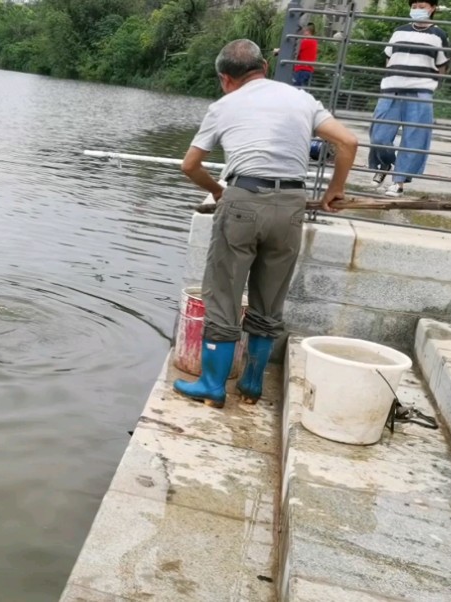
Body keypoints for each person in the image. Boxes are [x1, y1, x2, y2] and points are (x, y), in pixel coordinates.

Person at [173, 39, 357, 410]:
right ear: (265, 69)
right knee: (269, 299)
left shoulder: (224, 105)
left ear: (226, 78)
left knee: (223, 293)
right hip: (291, 204)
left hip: (243, 197)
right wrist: (334, 190)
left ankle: (212, 385)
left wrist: (219, 192)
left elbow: (189, 165)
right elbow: (348, 142)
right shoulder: (302, 100)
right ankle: (252, 385)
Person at [368, 0, 450, 197]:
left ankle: (399, 182)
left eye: (422, 6)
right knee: (379, 135)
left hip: (420, 91)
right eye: (414, 6)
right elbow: (389, 58)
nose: (417, 10)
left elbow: (442, 65)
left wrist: (431, 85)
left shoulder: (439, 35)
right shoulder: (399, 31)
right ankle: (386, 163)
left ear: (432, 9)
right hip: (392, 88)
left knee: (414, 138)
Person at [293, 24, 318, 88]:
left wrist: (279, 51)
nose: (302, 33)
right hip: (307, 70)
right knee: (300, 89)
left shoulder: (306, 41)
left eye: (303, 31)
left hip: (302, 69)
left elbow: (294, 50)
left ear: (307, 31)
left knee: (296, 90)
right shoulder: (314, 41)